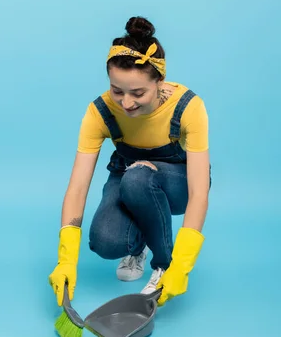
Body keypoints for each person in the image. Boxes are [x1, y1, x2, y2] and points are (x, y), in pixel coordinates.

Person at [48, 16, 211, 307]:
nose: (126, 103)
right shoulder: (99, 112)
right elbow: (77, 187)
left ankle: (163, 265)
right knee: (105, 241)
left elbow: (199, 191)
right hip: (127, 178)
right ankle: (138, 246)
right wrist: (66, 259)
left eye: (138, 93)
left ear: (159, 81)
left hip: (178, 183)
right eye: (117, 90)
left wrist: (182, 265)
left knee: (138, 177)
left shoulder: (189, 107)